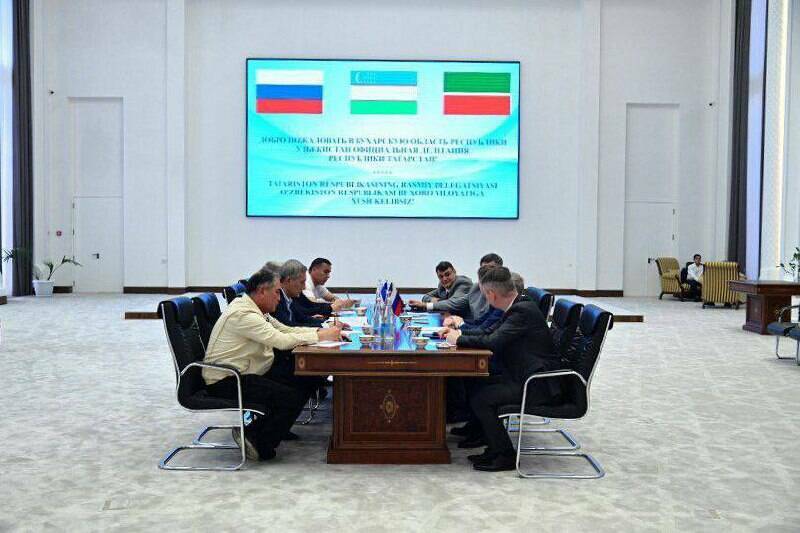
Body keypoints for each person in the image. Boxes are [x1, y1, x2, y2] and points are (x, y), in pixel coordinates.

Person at [202, 267, 343, 461]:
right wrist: (321, 336)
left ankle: (273, 429)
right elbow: (281, 341)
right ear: (262, 291)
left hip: (249, 371)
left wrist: (320, 333)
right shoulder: (244, 314)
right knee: (290, 396)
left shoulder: (257, 310)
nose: (279, 298)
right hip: (227, 379)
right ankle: (256, 439)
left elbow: (285, 330)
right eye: (277, 292)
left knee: (305, 378)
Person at [445, 266, 561, 472]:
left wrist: (459, 339)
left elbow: (493, 341)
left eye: (485, 294)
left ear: (491, 294)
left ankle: (505, 455)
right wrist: (459, 334)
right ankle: (492, 444)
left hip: (536, 383)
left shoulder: (521, 311)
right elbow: (490, 332)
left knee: (482, 398)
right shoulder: (517, 305)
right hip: (522, 374)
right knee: (475, 383)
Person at [409, 253, 503, 320]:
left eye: (491, 269)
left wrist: (429, 304)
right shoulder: (477, 287)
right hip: (471, 327)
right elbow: (426, 297)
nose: (444, 279)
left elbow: (453, 304)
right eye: (483, 269)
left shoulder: (463, 283)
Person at [274, 259, 325, 328]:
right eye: (302, 282)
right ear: (288, 280)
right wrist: (323, 325)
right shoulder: (276, 299)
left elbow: (302, 318)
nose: (304, 287)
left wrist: (325, 323)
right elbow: (288, 326)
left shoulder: (289, 298)